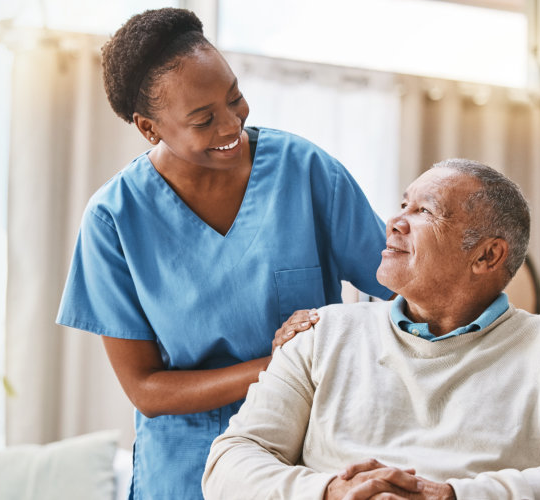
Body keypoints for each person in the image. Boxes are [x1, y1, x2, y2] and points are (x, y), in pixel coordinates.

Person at [55, 7, 395, 500]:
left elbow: (405, 288)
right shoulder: (114, 219)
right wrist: (280, 362)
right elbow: (146, 390)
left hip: (305, 463)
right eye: (203, 119)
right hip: (185, 473)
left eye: (235, 97)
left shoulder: (306, 172)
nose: (231, 122)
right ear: (150, 128)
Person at [203, 159, 540, 500]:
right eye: (404, 204)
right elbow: (228, 464)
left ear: (487, 256)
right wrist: (330, 492)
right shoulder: (322, 333)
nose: (395, 221)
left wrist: (453, 496)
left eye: (425, 210)